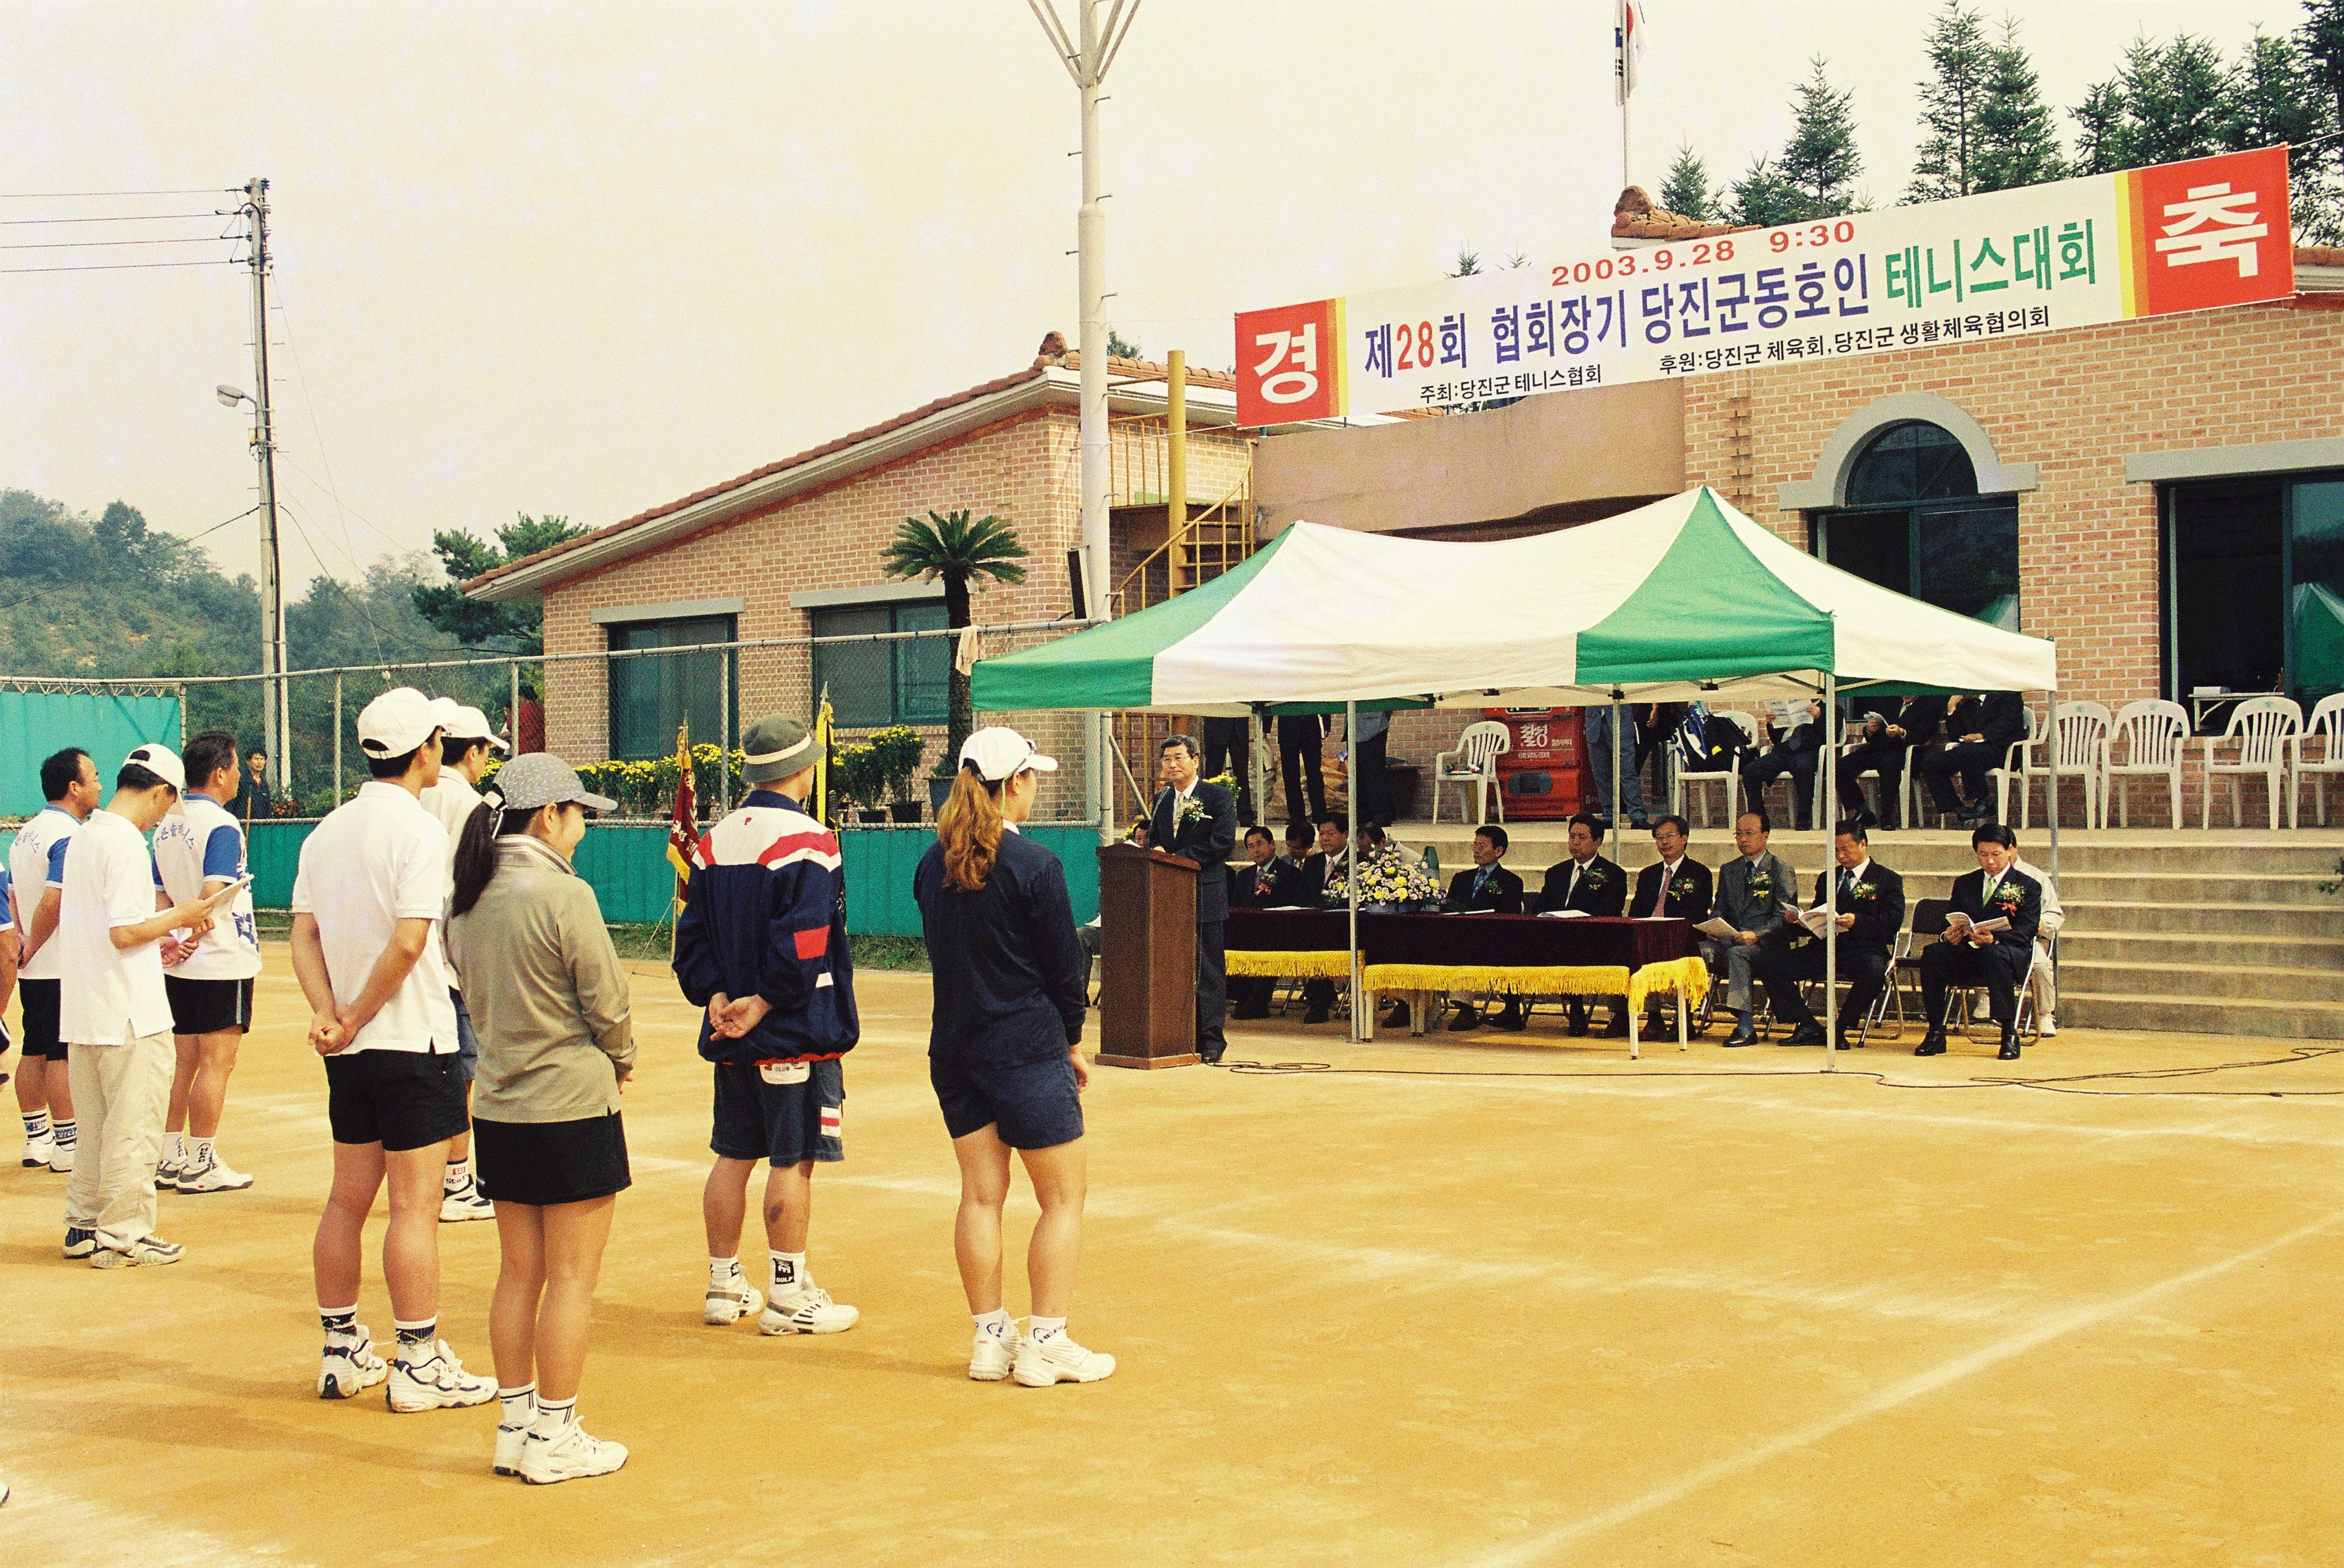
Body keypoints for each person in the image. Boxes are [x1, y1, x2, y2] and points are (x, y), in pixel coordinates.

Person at [293, 687, 494, 1410]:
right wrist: (353, 1016)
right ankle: (417, 1359)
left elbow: (304, 935)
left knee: (347, 1198)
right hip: (413, 1040)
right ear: (428, 748)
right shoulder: (419, 829)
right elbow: (412, 941)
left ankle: (341, 1347)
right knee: (415, 1206)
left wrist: (331, 1015)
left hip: (350, 1051)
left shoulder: (326, 831)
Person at [446, 753, 633, 1485]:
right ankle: (556, 1432)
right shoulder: (564, 894)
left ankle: (517, 1425)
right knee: (572, 1278)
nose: (583, 826)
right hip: (571, 1103)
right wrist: (622, 1057)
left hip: (500, 1105)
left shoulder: (466, 897)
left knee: (519, 1272)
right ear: (549, 815)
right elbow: (606, 1001)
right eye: (579, 812)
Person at [915, 726, 1114, 1387]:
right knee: (1062, 1199)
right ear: (1015, 783)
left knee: (979, 1196)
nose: (1035, 789)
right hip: (1025, 1048)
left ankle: (990, 1338)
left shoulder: (931, 864)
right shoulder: (1035, 865)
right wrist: (1070, 1043)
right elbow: (1065, 968)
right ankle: (1047, 1341)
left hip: (956, 1048)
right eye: (1032, 778)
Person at [675, 713, 861, 1336]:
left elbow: (692, 939)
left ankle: (723, 1284)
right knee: (792, 1159)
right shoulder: (811, 839)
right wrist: (763, 1001)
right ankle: (787, 1295)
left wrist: (718, 996)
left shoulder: (713, 841)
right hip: (793, 1030)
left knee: (733, 1154)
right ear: (802, 770)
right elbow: (805, 941)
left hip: (730, 1030)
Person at [59, 744, 217, 1268]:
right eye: (166, 805)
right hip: (130, 1011)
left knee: (95, 1128)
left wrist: (162, 936)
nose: (161, 818)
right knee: (134, 1125)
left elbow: (110, 928)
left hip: (87, 1008)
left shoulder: (86, 836)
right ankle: (124, 1233)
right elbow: (124, 931)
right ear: (160, 791)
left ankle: (84, 1223)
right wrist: (183, 914)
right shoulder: (126, 843)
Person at [152, 730, 263, 1194]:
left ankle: (170, 1154)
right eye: (235, 767)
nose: (239, 776)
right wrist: (193, 935)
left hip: (179, 963)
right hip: (220, 959)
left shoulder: (166, 825)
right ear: (219, 773)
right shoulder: (222, 824)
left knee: (183, 1062)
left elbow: (161, 895)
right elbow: (213, 894)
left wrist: (172, 939)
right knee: (217, 1062)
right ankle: (201, 1161)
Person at [419, 700, 512, 1224]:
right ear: (471, 751)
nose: (486, 761)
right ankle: (456, 1180)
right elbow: (479, 883)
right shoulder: (473, 805)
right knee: (461, 1073)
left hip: (412, 952)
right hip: (450, 955)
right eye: (485, 751)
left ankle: (439, 1176)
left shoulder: (413, 793)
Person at [13, 746, 98, 1178]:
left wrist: (24, 942)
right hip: (59, 963)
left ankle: (37, 1137)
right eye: (94, 777)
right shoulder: (70, 836)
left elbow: (14, 895)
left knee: (35, 1048)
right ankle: (68, 1144)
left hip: (35, 966)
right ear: (74, 787)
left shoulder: (25, 833)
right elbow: (54, 900)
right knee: (61, 1055)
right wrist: (35, 941)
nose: (100, 785)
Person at [1750, 821, 1905, 1049]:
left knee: (1874, 972)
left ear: (1863, 844)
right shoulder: (1827, 878)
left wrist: (1857, 921)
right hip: (1825, 946)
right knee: (1769, 964)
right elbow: (1818, 914)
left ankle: (1840, 1027)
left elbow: (1892, 922)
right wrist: (1799, 921)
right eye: (1836, 850)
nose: (1840, 856)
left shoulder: (1887, 879)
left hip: (1863, 948)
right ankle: (1806, 1023)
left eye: (1846, 849)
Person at [1137, 734, 1236, 1064]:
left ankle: (1211, 1039)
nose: (1172, 765)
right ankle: (1176, 1035)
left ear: (1195, 760)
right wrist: (1156, 851)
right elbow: (1154, 838)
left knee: (1207, 969)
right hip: (1168, 896)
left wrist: (1176, 858)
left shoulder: (1217, 797)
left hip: (1205, 892)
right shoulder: (1162, 799)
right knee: (1171, 967)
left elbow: (1222, 842)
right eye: (1167, 759)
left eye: (1179, 758)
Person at [1918, 822, 2042, 1061]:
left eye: (1996, 854)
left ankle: (2009, 1033)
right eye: (1983, 855)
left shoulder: (2028, 886)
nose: (1990, 861)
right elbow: (1952, 917)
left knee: (1994, 956)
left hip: (2006, 952)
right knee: (1933, 954)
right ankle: (1936, 1030)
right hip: (1969, 950)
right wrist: (1949, 934)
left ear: (2010, 851)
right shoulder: (1966, 883)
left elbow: (2027, 929)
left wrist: (1995, 938)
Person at [1709, 811, 1797, 1048]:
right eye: (1738, 834)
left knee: (1738, 955)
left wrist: (1757, 934)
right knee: (1697, 950)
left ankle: (1746, 1026)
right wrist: (1714, 926)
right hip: (1732, 937)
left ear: (1765, 836)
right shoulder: (1729, 870)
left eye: (1749, 833)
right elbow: (1720, 908)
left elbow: (1784, 917)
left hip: (1765, 944)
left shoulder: (1780, 870)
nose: (1743, 839)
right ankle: (1683, 1017)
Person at [1536, 813, 1629, 1036]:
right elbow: (1539, 907)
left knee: (1575, 947)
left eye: (1582, 837)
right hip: (1555, 934)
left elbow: (1611, 911)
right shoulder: (1556, 872)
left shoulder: (1613, 874)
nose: (1575, 842)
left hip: (1592, 936)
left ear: (1597, 842)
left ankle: (1577, 1009)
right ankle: (1512, 1009)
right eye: (1572, 836)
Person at [1444, 824, 1526, 1033]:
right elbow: (1448, 910)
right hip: (1460, 937)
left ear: (1498, 851)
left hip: (1493, 941)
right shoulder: (1461, 879)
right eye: (1475, 844)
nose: (1476, 850)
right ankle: (1442, 1007)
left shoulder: (1511, 882)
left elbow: (1510, 917)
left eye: (1482, 845)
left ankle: (1469, 1009)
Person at [1836, 696, 1945, 831]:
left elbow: (1924, 735)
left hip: (1901, 750)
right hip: (1877, 748)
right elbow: (1871, 730)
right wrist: (1870, 729)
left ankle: (1887, 816)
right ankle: (1863, 811)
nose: (1905, 695)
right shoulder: (1889, 701)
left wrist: (1902, 732)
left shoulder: (1929, 705)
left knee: (1889, 766)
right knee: (1841, 767)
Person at [1921, 692, 2027, 824]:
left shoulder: (2008, 695)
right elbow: (1956, 736)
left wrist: (1982, 736)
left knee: (1967, 752)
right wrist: (1952, 708)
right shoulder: (1967, 703)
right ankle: (1959, 809)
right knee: (1931, 762)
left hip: (2001, 750)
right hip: (1970, 753)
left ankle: (1984, 801)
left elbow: (2008, 724)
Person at [1296, 815, 1349, 1026]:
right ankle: (1319, 1000)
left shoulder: (1358, 861)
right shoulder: (1312, 862)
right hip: (1315, 925)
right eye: (1322, 834)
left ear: (1345, 835)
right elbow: (1303, 895)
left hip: (1344, 926)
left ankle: (1321, 1000)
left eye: (1331, 833)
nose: (1325, 838)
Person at [1742, 700, 1825, 832]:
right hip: (1784, 750)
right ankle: (1759, 818)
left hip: (1808, 750)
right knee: (1750, 770)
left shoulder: (1830, 709)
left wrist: (1819, 718)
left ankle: (1804, 816)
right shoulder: (1791, 706)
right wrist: (1771, 724)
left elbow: (1831, 736)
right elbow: (1776, 740)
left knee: (1803, 767)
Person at [2011, 839, 2064, 1036]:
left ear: (2012, 849)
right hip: (1991, 938)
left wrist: (2042, 923)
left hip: (2025, 940)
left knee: (2041, 966)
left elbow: (2055, 913)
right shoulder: (1980, 878)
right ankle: (1986, 998)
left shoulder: (2035, 877)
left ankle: (2044, 1014)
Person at [1228, 826, 1280, 1021]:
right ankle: (1242, 997)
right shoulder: (1243, 876)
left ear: (1272, 844)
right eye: (1251, 847)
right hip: (1247, 932)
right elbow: (1236, 907)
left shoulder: (1288, 873)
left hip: (1274, 932)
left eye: (1260, 844)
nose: (1256, 850)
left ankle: (1259, 1000)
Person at [1583, 704, 1646, 828]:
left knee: (1627, 772)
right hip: (1595, 725)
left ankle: (1638, 816)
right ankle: (1609, 816)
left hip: (1621, 724)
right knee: (1602, 775)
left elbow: (1634, 703)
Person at [1277, 712, 1327, 834]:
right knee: (1290, 776)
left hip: (1311, 727)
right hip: (1288, 727)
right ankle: (1297, 817)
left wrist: (1326, 723)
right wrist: (1265, 727)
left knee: (1315, 775)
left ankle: (1320, 814)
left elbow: (1322, 699)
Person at [1202, 714, 1256, 827]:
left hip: (1239, 725)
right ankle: (1210, 814)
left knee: (1242, 774)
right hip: (1216, 724)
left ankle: (1246, 817)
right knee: (1212, 773)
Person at [1349, 709, 1393, 829]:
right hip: (1354, 727)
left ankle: (1382, 814)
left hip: (1374, 727)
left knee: (1374, 773)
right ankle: (1363, 815)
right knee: (1358, 774)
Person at [229, 747, 272, 823]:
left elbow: (267, 808)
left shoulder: (264, 784)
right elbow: (231, 805)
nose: (260, 762)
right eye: (256, 759)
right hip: (242, 823)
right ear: (248, 762)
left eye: (262, 759)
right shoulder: (241, 781)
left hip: (261, 825)